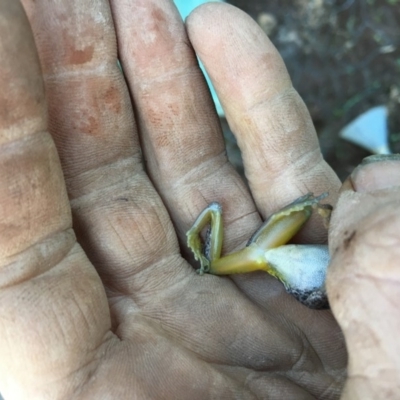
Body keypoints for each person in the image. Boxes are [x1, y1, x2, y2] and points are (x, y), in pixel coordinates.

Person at [0, 1, 398, 399]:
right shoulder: (269, 259)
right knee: (269, 241)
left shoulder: (272, 261)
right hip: (296, 275)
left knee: (264, 246)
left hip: (298, 279)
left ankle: (222, 243)